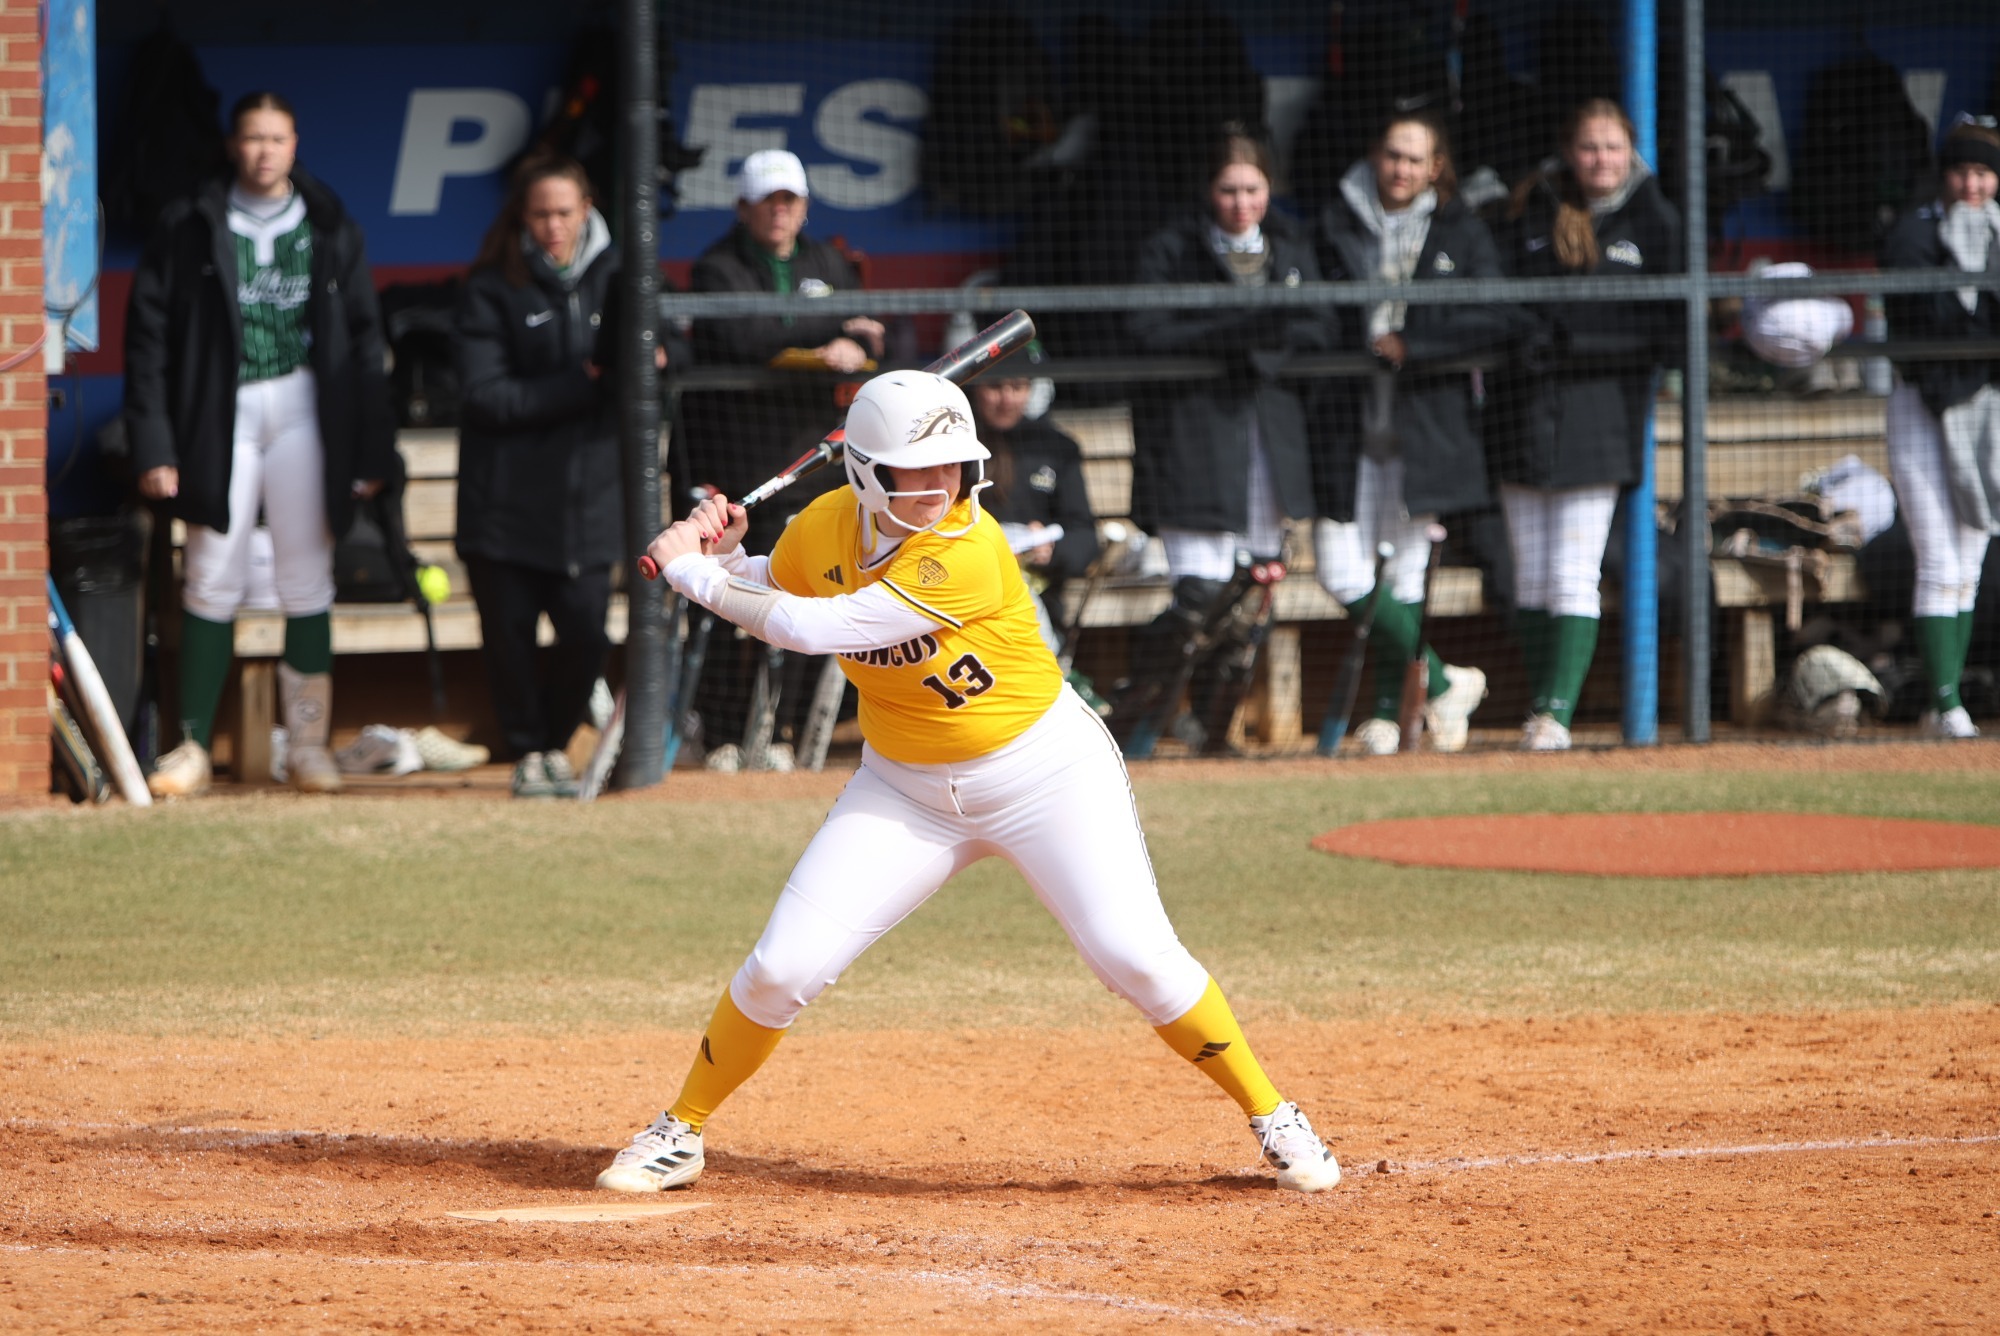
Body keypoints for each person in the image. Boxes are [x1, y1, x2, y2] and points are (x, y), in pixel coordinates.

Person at [602, 370, 1342, 1196]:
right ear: (864, 473)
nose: (935, 488)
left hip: (1045, 775)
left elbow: (813, 629)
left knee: (1138, 959)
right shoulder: (824, 527)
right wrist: (728, 554)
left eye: (950, 468)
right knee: (781, 967)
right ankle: (682, 1128)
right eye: (914, 472)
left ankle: (1273, 1112)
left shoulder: (969, 549)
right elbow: (779, 587)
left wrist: (689, 575)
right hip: (906, 791)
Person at [125, 90, 395, 796]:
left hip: (305, 404)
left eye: (276, 138)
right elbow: (147, 337)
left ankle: (308, 745)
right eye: (251, 138)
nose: (263, 151)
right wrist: (153, 441)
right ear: (231, 145)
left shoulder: (330, 221)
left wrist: (374, 449)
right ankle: (189, 747)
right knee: (212, 569)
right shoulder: (190, 221)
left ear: (295, 144)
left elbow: (366, 340)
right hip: (221, 410)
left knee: (308, 574)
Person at [1113, 124, 1331, 754]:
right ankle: (1130, 725)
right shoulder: (1171, 248)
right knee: (1199, 593)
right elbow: (1148, 329)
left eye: (1253, 189)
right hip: (1195, 444)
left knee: (1250, 596)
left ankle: (1215, 736)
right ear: (1209, 191)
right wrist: (1251, 328)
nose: (1241, 203)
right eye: (1228, 189)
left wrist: (1245, 335)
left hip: (1270, 445)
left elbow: (1320, 326)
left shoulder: (1291, 246)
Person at [1312, 112, 1512, 755]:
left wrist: (1415, 344)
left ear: (1436, 168)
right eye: (1392, 155)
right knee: (1340, 566)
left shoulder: (1461, 227)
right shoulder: (1335, 218)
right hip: (1346, 422)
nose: (1401, 169)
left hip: (1425, 426)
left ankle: (1386, 714)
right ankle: (1449, 677)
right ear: (1376, 156)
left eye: (1415, 159)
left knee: (1403, 577)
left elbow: (1498, 314)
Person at [679, 149, 883, 770]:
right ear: (744, 208)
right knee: (727, 597)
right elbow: (738, 336)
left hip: (816, 462)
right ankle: (718, 732)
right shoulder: (718, 266)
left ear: (804, 206)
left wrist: (850, 340)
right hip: (741, 465)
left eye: (789, 200)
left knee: (808, 596)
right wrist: (823, 338)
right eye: (768, 201)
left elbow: (874, 335)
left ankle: (785, 731)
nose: (780, 211)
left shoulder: (827, 261)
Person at [1489, 98, 1683, 751]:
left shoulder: (1656, 218)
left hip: (1602, 413)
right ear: (1570, 152)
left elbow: (1667, 328)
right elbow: (1504, 302)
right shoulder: (1532, 208)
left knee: (1575, 567)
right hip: (1527, 408)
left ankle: (1556, 714)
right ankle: (1538, 703)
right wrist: (1537, 338)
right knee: (1530, 573)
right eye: (1589, 148)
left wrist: (1575, 335)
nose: (1601, 160)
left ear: (1630, 150)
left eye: (1612, 147)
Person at [454, 155, 627, 797]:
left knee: (586, 636)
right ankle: (528, 752)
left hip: (590, 500)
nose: (553, 226)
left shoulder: (624, 276)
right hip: (502, 501)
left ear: (587, 209)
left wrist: (655, 358)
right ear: (522, 218)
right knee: (509, 642)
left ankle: (555, 746)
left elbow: (673, 349)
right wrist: (585, 384)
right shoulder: (491, 284)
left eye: (564, 211)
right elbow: (486, 396)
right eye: (540, 214)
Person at [1879, 113, 2000, 739]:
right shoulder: (1914, 230)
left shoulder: (1998, 230)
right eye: (1962, 171)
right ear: (1944, 173)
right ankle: (1945, 701)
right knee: (1938, 554)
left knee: (1970, 558)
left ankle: (1943, 705)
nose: (1972, 185)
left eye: (1983, 172)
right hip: (1923, 405)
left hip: (1987, 408)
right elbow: (1922, 320)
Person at [966, 358, 1100, 657]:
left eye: (1017, 387)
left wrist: (1050, 550)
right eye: (995, 387)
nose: (1007, 399)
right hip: (968, 594)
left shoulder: (1056, 447)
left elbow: (1085, 537)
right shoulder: (958, 448)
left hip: (1040, 598)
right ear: (976, 389)